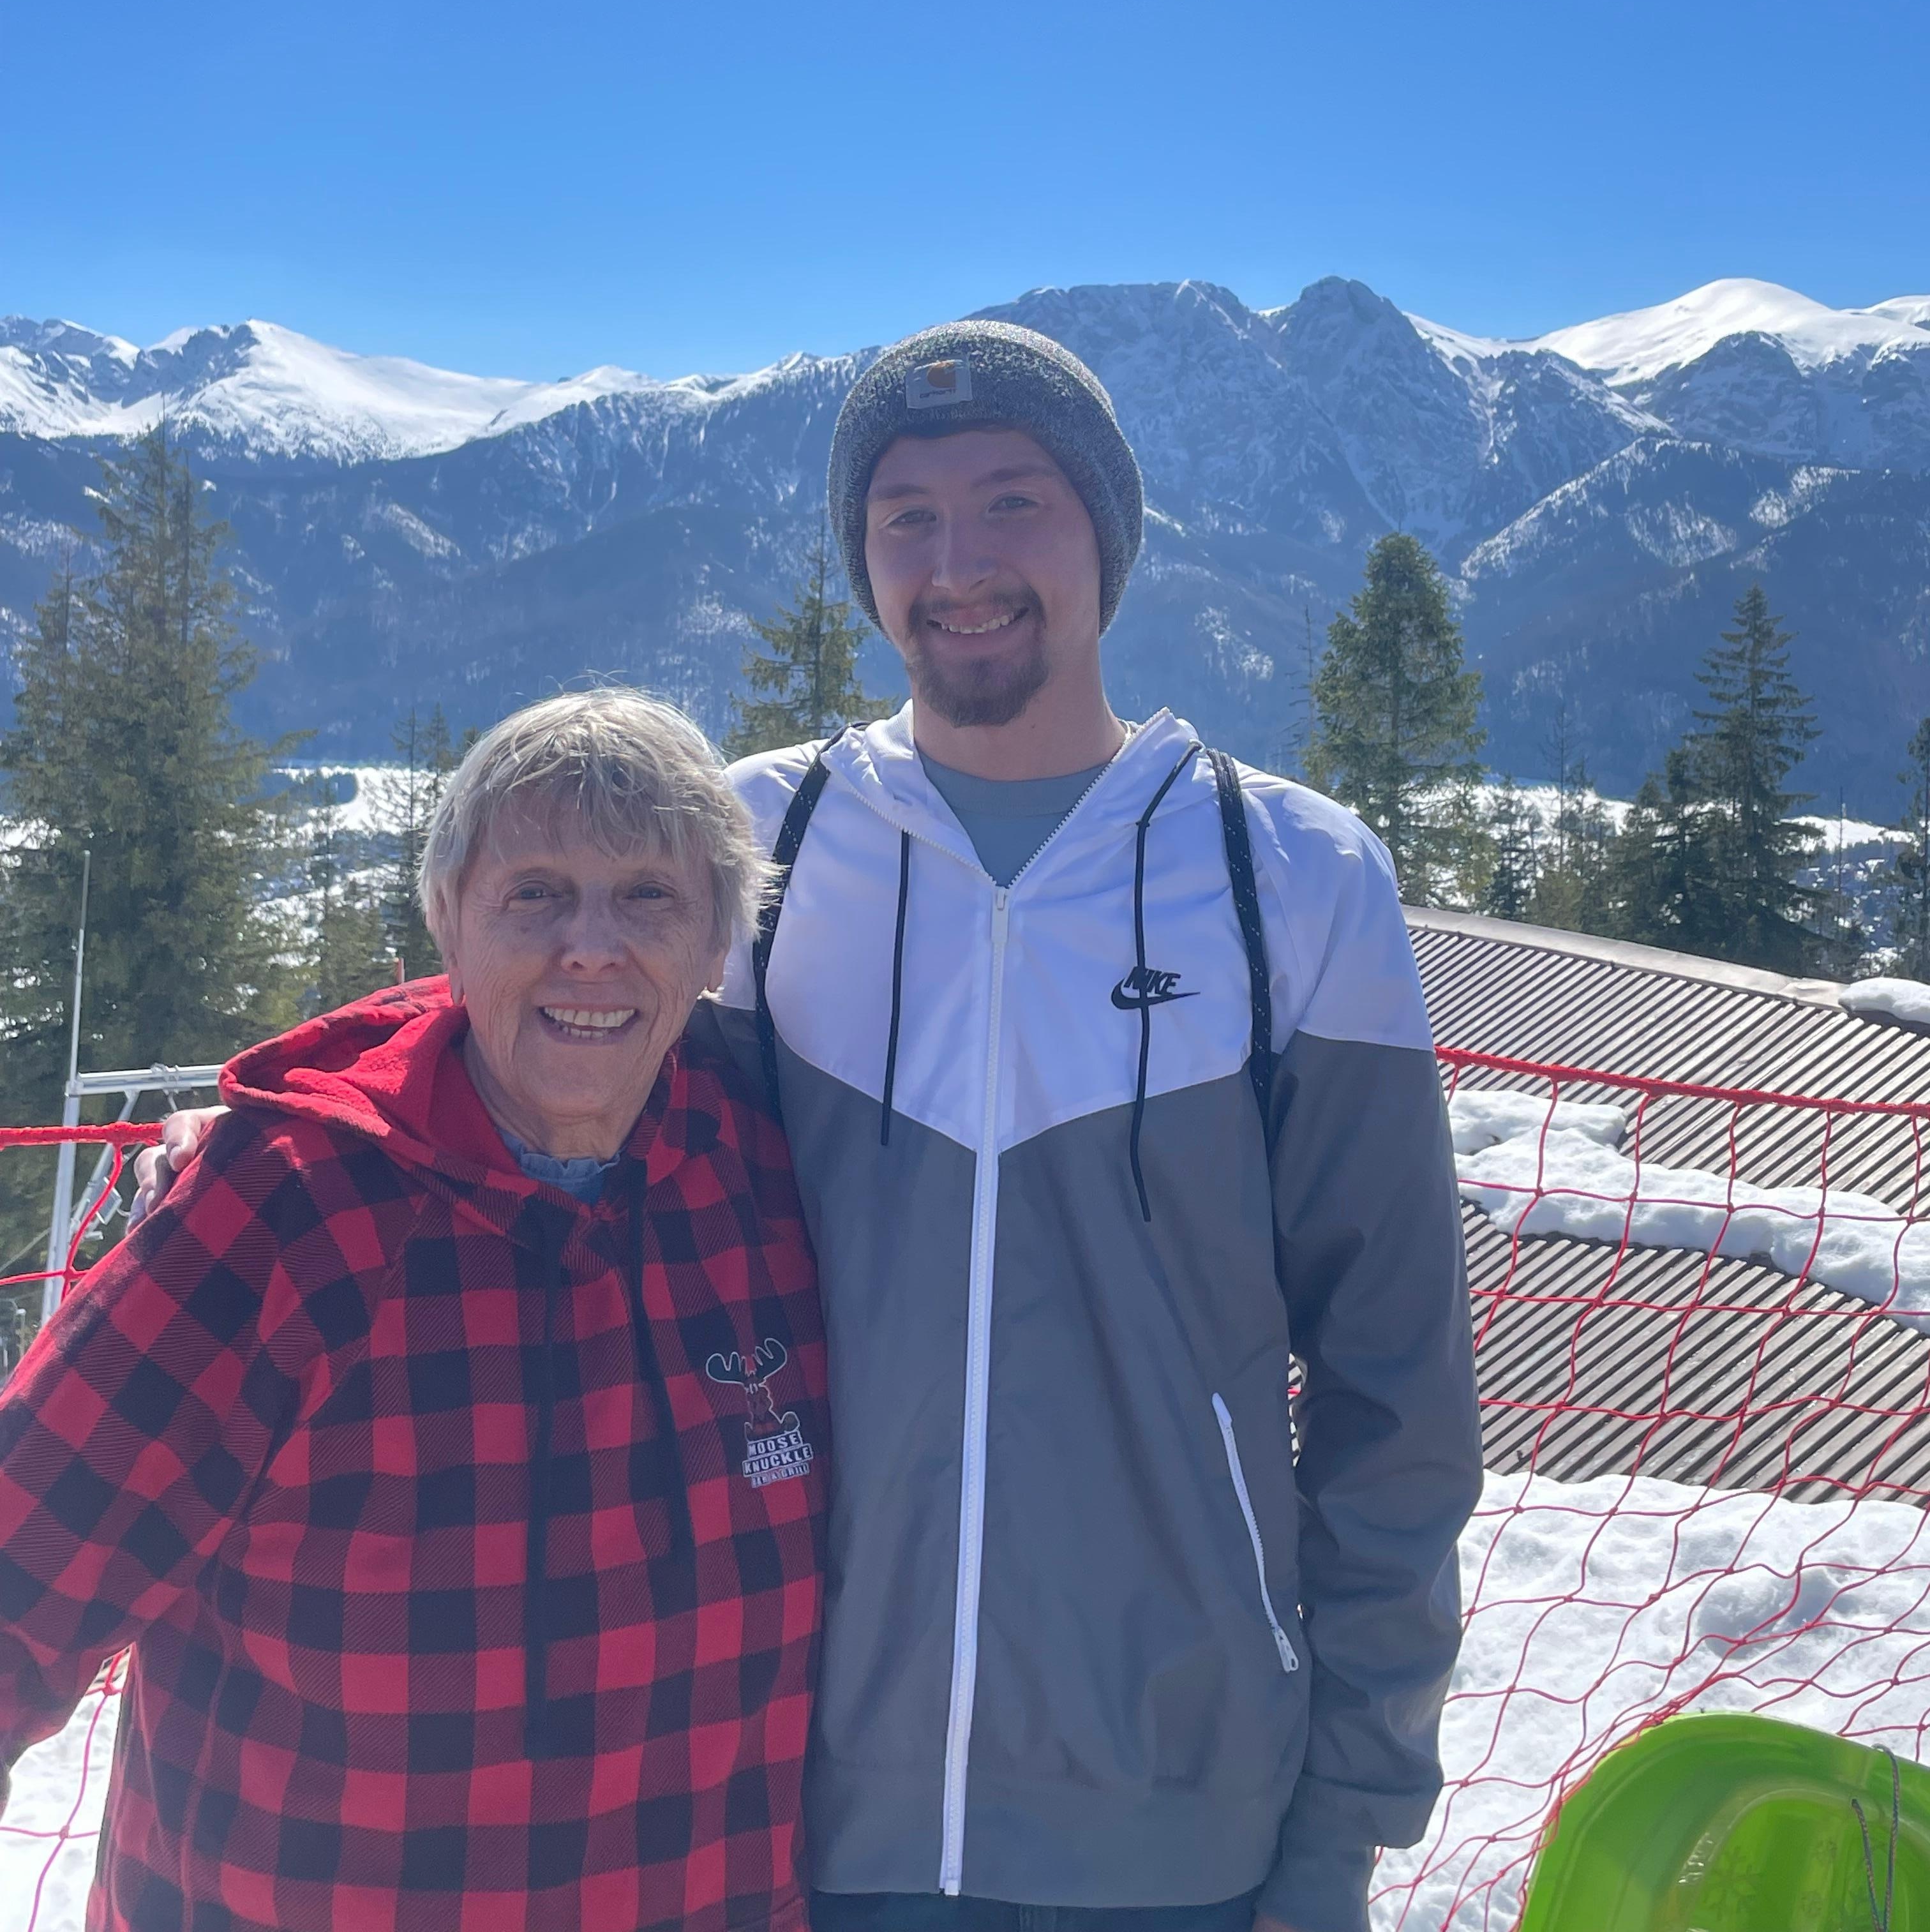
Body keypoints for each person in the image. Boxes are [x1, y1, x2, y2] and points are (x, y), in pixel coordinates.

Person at [138, 320, 1483, 1932]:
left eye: (1014, 501)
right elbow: (545, 1044)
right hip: (790, 1814)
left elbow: (1397, 1389)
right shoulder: (761, 844)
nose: (959, 563)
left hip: (1186, 1827)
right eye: (907, 516)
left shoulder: (1292, 880)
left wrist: (1346, 1823)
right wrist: (277, 1139)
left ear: (1108, 536)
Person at [0, 689, 826, 1932]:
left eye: (650, 895)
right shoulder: (292, 1207)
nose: (590, 948)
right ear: (447, 921)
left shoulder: (768, 1181)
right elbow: (23, 1577)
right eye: (534, 893)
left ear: (718, 946)